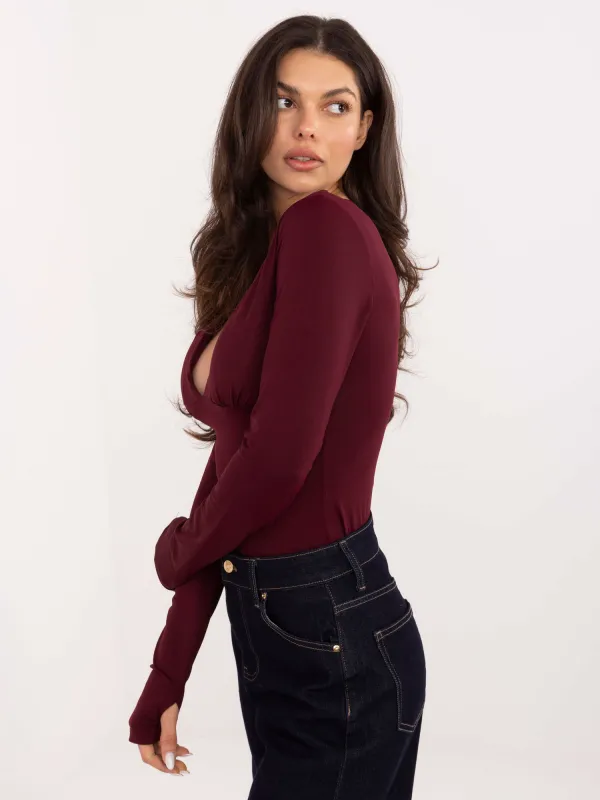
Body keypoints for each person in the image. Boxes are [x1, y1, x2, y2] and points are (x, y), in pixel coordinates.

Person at [128, 14, 431, 798]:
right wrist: (168, 670)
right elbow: (237, 465)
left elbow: (277, 463)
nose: (306, 128)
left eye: (336, 106)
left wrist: (179, 554)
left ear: (364, 129)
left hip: (327, 625)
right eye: (284, 100)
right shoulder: (264, 252)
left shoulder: (327, 230)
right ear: (250, 115)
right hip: (302, 625)